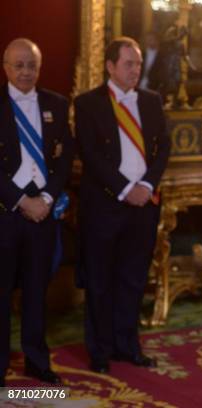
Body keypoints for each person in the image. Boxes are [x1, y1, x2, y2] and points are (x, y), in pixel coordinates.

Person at [74, 36, 170, 374]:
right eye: (129, 63)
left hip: (144, 204)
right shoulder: (88, 103)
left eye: (139, 63)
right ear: (110, 66)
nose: (135, 69)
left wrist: (145, 185)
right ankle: (99, 351)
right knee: (100, 281)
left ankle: (127, 345)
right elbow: (89, 154)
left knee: (133, 280)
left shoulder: (151, 100)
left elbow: (164, 148)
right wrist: (125, 188)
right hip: (105, 204)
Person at [0, 38, 74, 386]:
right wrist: (21, 200)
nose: (26, 71)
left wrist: (46, 198)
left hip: (44, 211)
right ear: (6, 67)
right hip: (7, 212)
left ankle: (36, 360)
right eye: (19, 65)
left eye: (31, 65)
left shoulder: (56, 104)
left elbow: (64, 160)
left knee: (36, 292)